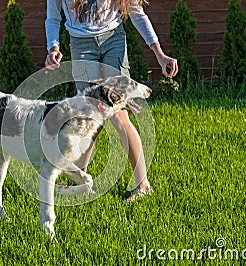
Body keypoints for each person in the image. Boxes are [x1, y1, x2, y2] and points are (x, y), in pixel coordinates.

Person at [45, 0, 178, 203]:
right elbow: (53, 18)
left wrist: (159, 54)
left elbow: (136, 12)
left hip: (113, 41)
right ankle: (79, 183)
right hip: (80, 43)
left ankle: (143, 185)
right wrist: (53, 47)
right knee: (88, 117)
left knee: (118, 115)